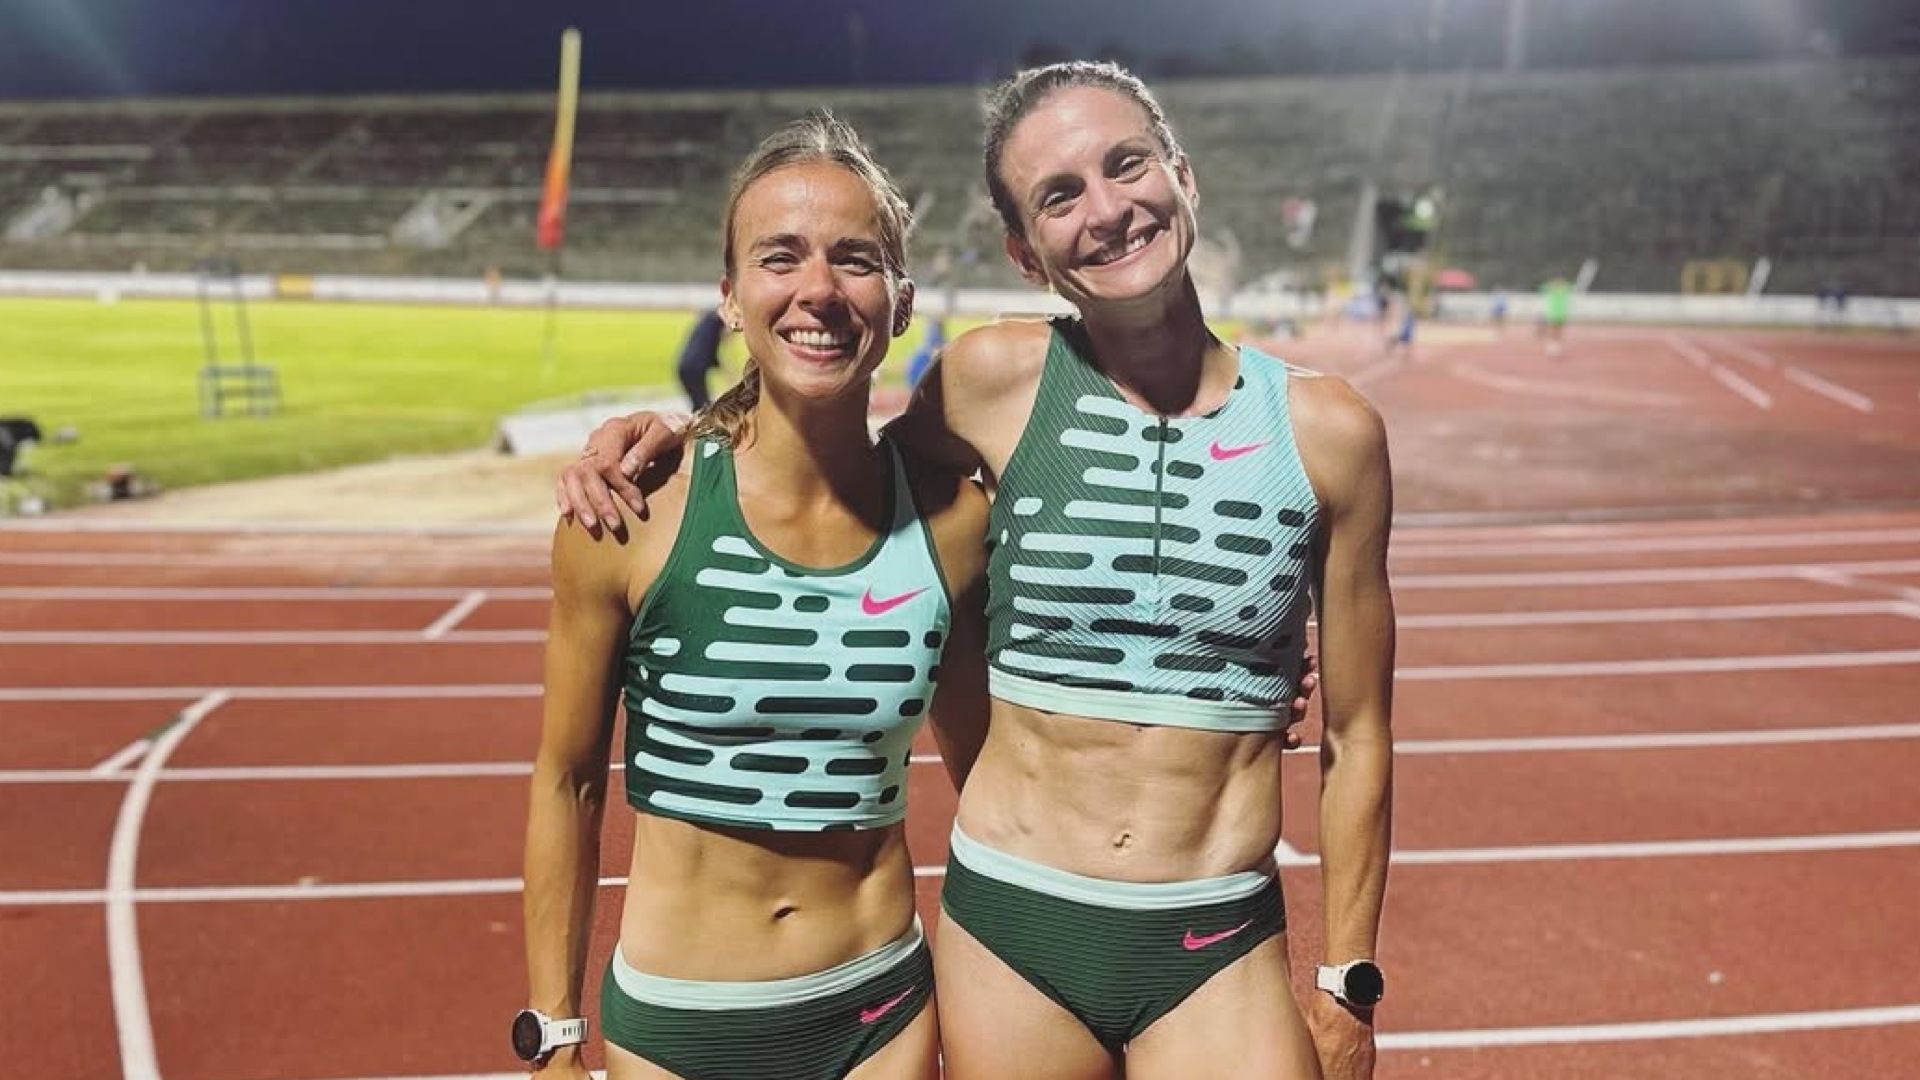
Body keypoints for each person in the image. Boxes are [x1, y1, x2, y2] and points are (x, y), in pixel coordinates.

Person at [558, 61, 1390, 1080]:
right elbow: (822, 445)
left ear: (1183, 172)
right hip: (1013, 930)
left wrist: (1348, 981)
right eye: (1059, 195)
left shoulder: (1331, 432)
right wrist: (676, 437)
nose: (1109, 209)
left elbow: (1358, 732)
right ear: (1025, 251)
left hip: (1214, 927)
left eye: (1127, 165)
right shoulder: (989, 383)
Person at [521, 113, 994, 1080]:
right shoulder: (629, 515)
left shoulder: (951, 526)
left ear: (901, 303)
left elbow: (1004, 772)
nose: (818, 289)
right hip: (682, 1025)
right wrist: (554, 1034)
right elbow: (567, 781)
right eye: (782, 258)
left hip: (882, 1014)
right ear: (731, 300)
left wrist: (1229, 674)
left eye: (856, 260)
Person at [675, 306, 729, 410]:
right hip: (693, 367)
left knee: (700, 405)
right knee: (703, 406)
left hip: (685, 366)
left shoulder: (708, 323)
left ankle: (698, 421)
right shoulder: (716, 321)